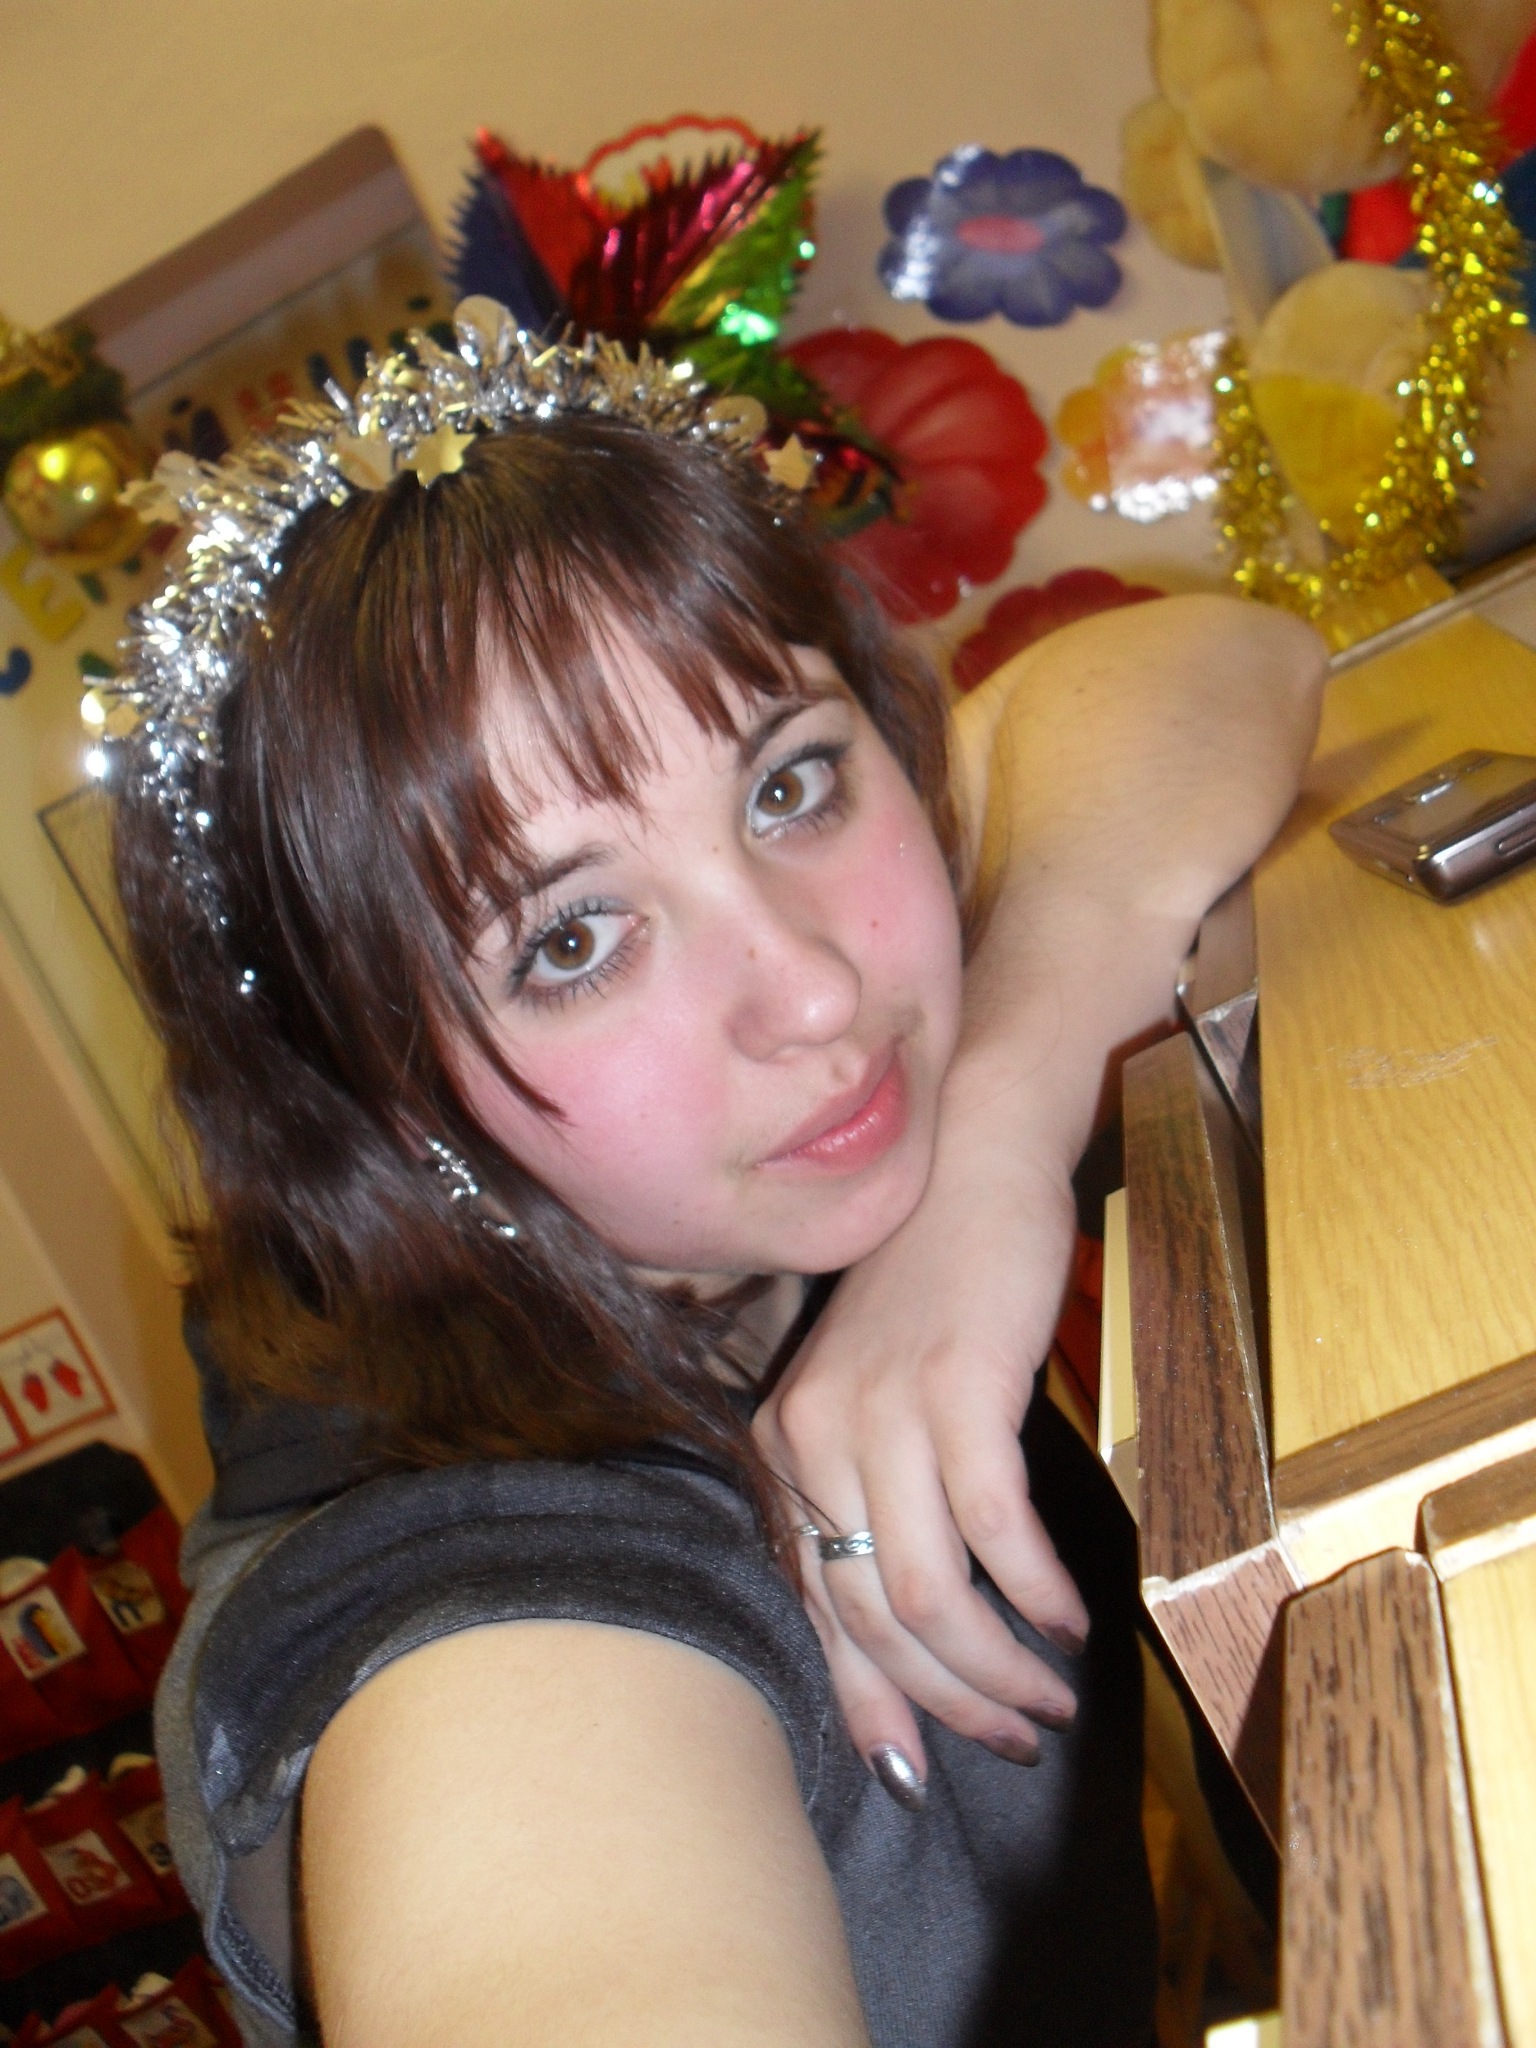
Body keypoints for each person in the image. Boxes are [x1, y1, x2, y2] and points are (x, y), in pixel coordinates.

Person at [108, 302, 1324, 2047]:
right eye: (572, 939)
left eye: (790, 784)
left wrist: (993, 1144)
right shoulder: (476, 1626)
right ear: (379, 1100)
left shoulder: (730, 1201)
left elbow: (1212, 661)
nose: (812, 989)